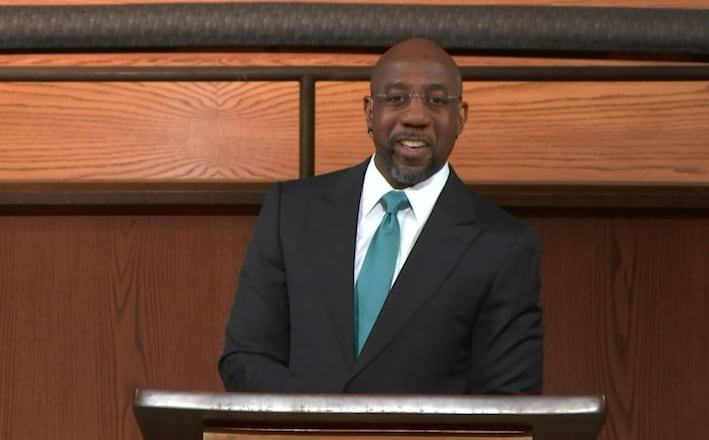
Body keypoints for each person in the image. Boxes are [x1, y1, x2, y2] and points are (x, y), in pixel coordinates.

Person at [219, 38, 543, 394]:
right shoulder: (291, 213)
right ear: (370, 111)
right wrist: (328, 426)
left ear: (460, 117)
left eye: (436, 100)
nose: (415, 117)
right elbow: (246, 358)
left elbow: (507, 404)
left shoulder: (504, 246)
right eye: (396, 98)